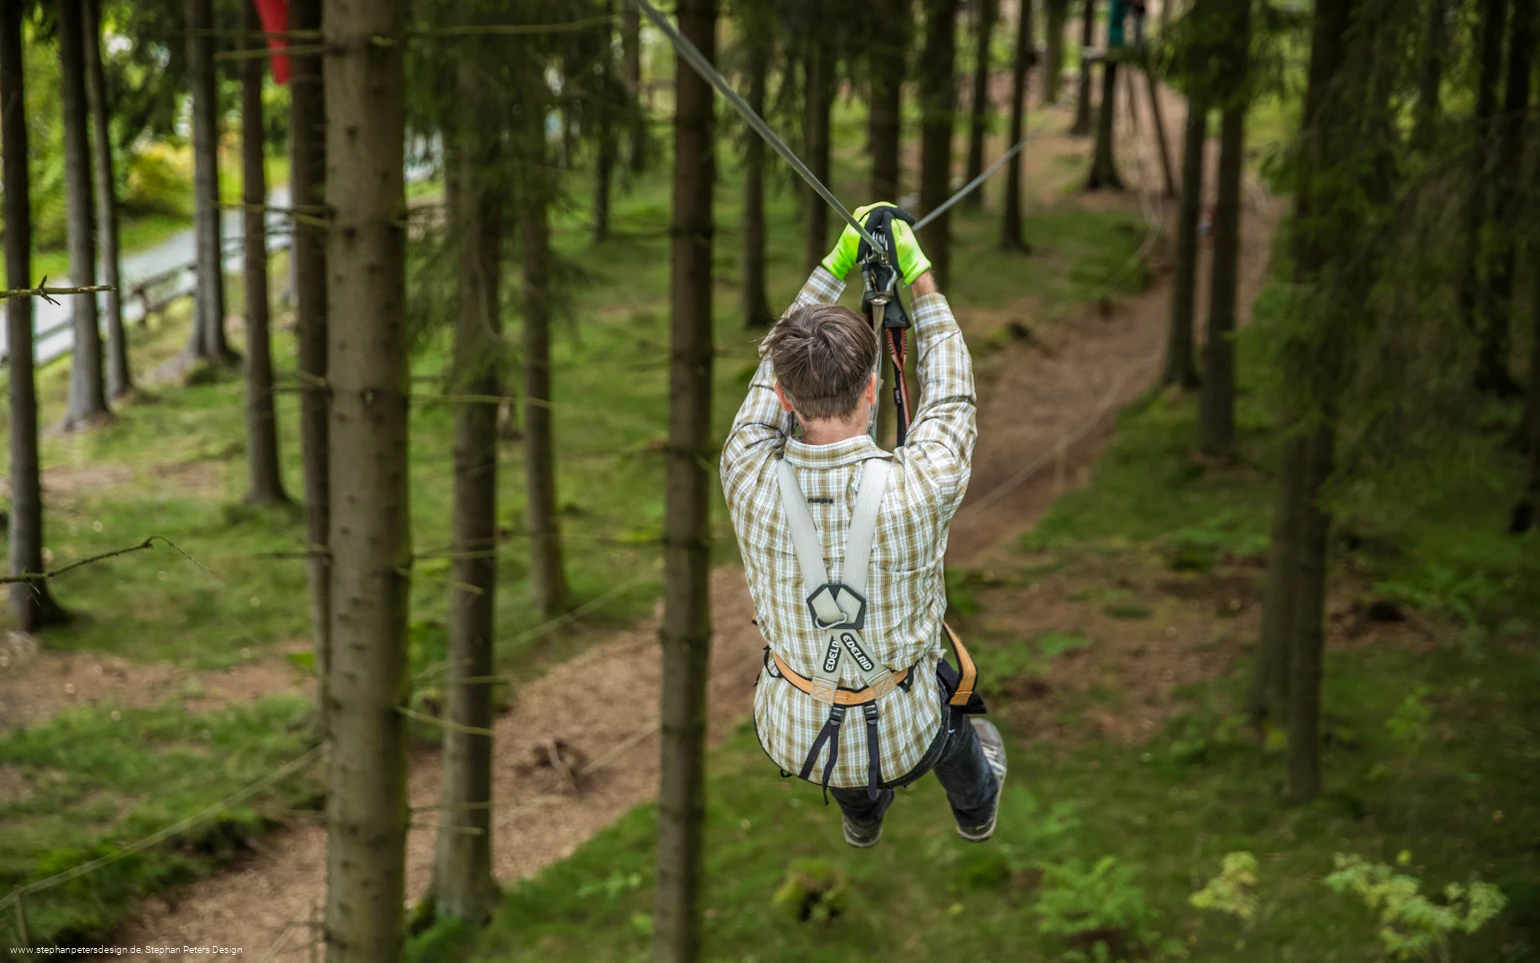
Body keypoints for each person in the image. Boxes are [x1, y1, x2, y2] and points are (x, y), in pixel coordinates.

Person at [720, 202, 1007, 849]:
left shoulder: (745, 471)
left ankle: (861, 816)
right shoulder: (920, 485)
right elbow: (953, 394)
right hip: (904, 726)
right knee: (951, 716)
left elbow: (768, 372)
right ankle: (976, 809)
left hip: (795, 727)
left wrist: (834, 264)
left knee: (845, 731)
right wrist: (921, 277)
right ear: (873, 390)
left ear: (787, 399)